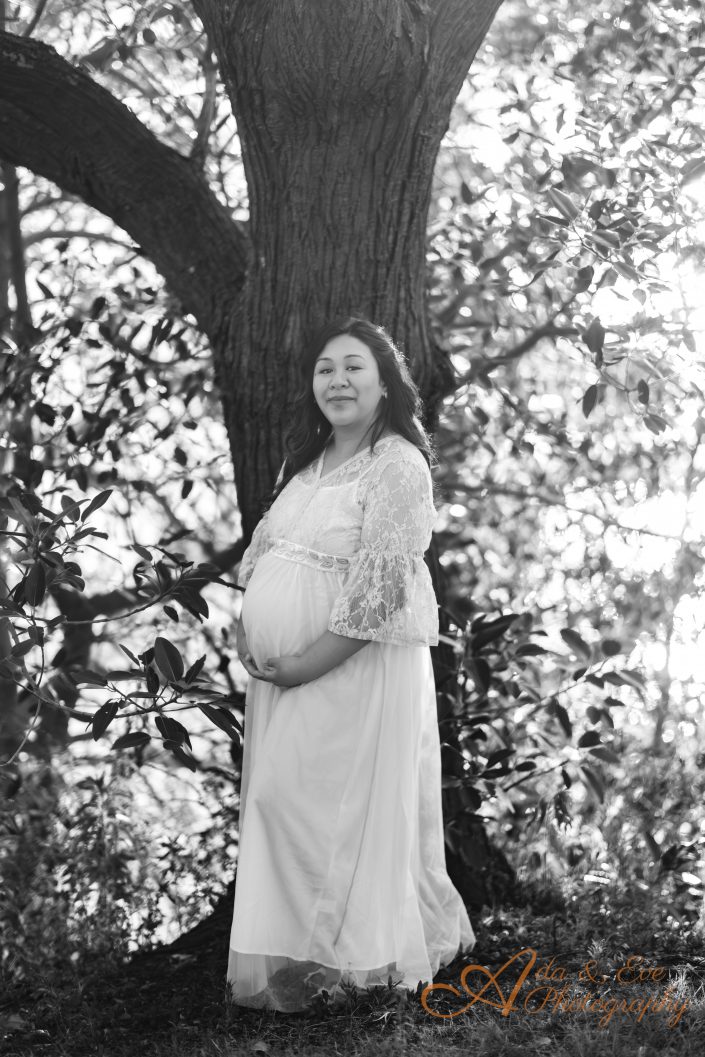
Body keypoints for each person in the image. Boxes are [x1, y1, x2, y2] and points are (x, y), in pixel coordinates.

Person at [226, 317, 475, 1012]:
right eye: (325, 368)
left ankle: (352, 966)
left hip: (349, 669)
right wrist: (251, 629)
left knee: (325, 811)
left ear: (385, 382)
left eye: (353, 366)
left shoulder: (397, 464)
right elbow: (270, 554)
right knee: (284, 805)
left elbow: (383, 590)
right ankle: (303, 962)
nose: (337, 380)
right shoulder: (305, 464)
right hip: (286, 674)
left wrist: (306, 663)